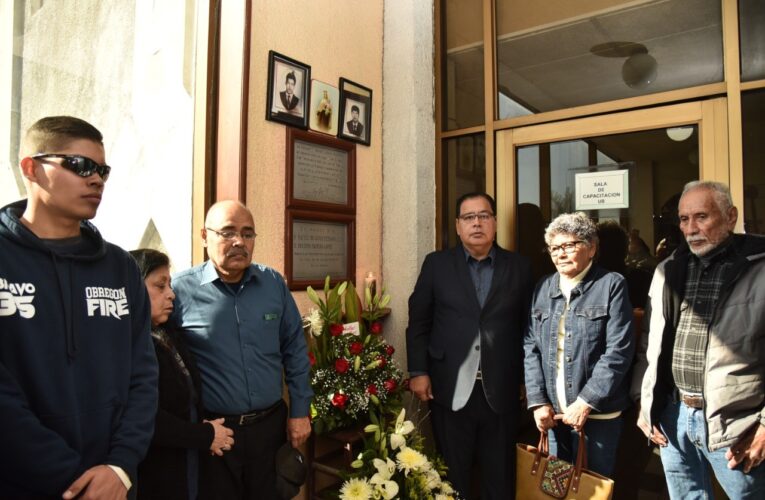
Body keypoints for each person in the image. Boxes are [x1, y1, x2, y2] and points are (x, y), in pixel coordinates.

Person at [0, 116, 158, 499]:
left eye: (102, 169)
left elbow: (144, 375)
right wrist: (73, 479)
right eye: (80, 165)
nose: (97, 179)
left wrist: (120, 468)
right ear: (31, 168)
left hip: (114, 485)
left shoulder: (121, 267)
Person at [170, 200, 313, 500]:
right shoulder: (180, 291)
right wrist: (192, 429)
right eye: (227, 232)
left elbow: (295, 350)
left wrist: (300, 411)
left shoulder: (273, 283)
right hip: (218, 435)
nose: (239, 241)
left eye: (248, 234)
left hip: (270, 430)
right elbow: (164, 365)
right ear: (204, 236)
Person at [634, 181, 765, 498]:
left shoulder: (759, 268)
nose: (690, 228)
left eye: (701, 217)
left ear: (730, 217)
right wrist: (645, 403)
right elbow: (649, 345)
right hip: (673, 417)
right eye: (683, 219)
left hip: (738, 424)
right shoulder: (668, 270)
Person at [406, 192, 533, 499]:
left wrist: (529, 381)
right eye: (468, 217)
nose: (477, 223)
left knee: (499, 476)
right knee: (452, 475)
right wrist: (418, 370)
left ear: (495, 223)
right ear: (458, 226)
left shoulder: (520, 266)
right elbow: (419, 322)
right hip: (448, 388)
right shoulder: (436, 265)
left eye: (484, 216)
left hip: (502, 390)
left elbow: (529, 328)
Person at [524, 213, 634, 478]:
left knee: (590, 489)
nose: (561, 253)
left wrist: (586, 401)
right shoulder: (543, 287)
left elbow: (618, 351)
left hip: (598, 416)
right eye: (555, 248)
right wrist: (538, 401)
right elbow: (531, 347)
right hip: (554, 415)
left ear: (592, 247)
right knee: (554, 488)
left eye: (570, 245)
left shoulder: (611, 285)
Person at [131, 249, 234, 500]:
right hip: (155, 472)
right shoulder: (127, 345)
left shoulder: (166, 334)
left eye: (169, 284)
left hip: (186, 462)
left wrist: (205, 428)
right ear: (132, 288)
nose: (171, 294)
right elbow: (145, 417)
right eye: (160, 286)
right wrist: (205, 435)